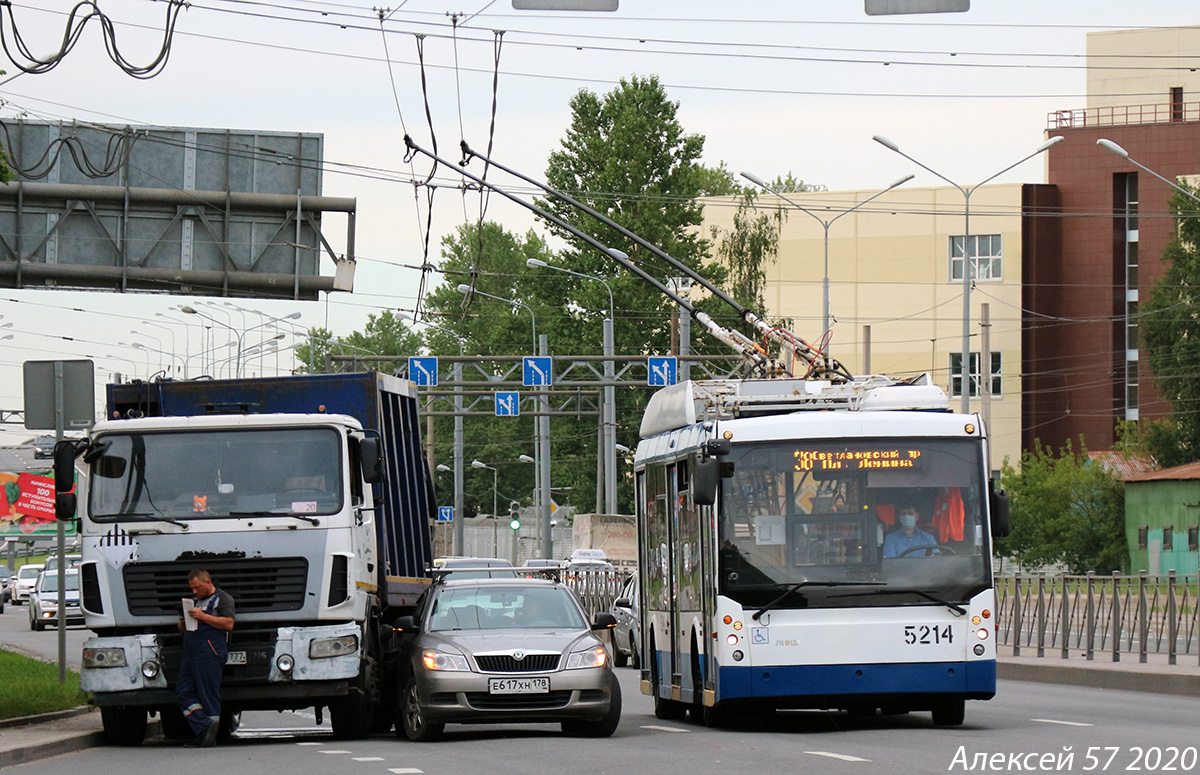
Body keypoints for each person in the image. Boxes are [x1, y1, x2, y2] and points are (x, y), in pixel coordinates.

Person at [176, 568, 235, 748]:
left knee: (208, 694)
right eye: (192, 588)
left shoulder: (223, 599)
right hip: (190, 652)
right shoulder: (193, 602)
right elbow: (181, 629)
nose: (194, 592)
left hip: (209, 651)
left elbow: (228, 624)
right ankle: (204, 724)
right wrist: (183, 620)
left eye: (197, 587)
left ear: (208, 582)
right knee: (182, 691)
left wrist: (203, 616)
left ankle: (207, 737)